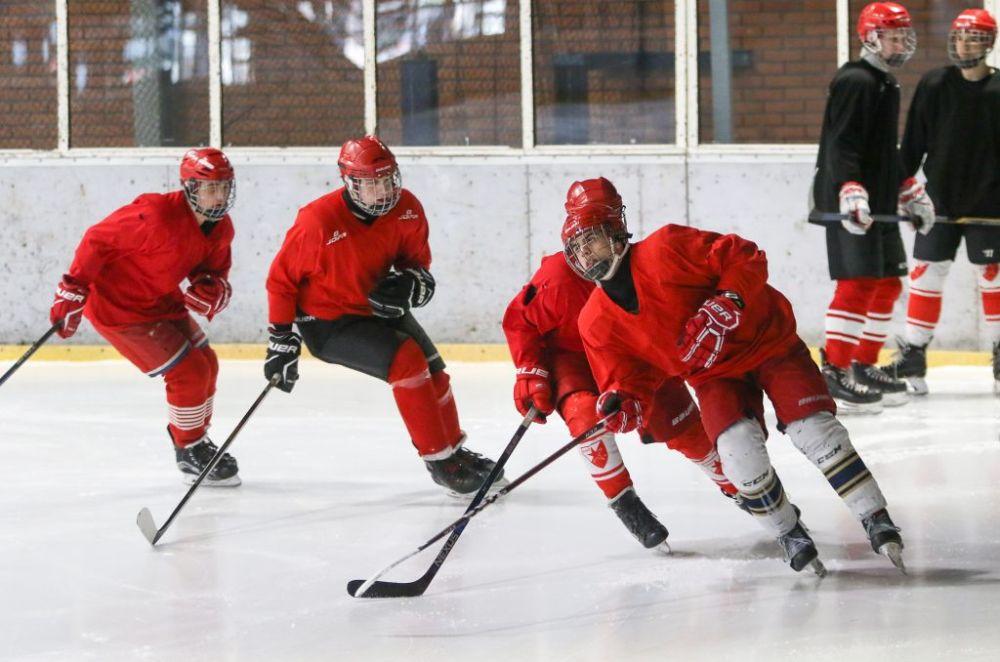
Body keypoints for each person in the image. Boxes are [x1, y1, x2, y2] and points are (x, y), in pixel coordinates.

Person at [566, 176, 905, 574]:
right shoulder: (595, 322)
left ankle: (874, 515)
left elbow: (745, 256)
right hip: (714, 376)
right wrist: (624, 405)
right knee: (736, 452)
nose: (584, 252)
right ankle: (788, 531)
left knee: (814, 429)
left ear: (616, 231)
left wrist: (730, 298)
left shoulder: (666, 248)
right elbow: (632, 382)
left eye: (591, 238)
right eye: (576, 245)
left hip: (769, 344)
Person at [263, 135, 505, 497]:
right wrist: (281, 340)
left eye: (387, 178)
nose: (383, 190)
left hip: (376, 309)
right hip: (329, 322)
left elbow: (417, 264)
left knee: (435, 371)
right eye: (371, 182)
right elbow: (281, 282)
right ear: (350, 182)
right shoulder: (318, 221)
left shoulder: (407, 208)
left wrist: (411, 283)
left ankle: (453, 451)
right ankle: (440, 463)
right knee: (408, 361)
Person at [502, 247, 740, 551]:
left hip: (631, 354)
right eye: (583, 240)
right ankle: (624, 502)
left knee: (686, 431)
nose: (591, 251)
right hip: (574, 358)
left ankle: (745, 489)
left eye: (601, 236)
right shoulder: (558, 278)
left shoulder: (644, 266)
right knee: (584, 415)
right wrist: (530, 373)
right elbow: (521, 321)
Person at [49, 148, 239, 486]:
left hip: (161, 301)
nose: (218, 196)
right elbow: (97, 239)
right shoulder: (154, 216)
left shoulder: (220, 228)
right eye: (210, 188)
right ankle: (188, 450)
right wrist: (74, 287)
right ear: (190, 188)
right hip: (120, 309)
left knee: (207, 362)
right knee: (188, 371)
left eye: (223, 187)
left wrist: (212, 287)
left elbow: (212, 270)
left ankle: (197, 439)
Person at [810, 1, 935, 413]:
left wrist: (905, 187)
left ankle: (862, 365)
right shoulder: (855, 80)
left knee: (886, 283)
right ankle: (835, 373)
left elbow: (882, 150)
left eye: (903, 34)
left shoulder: (886, 83)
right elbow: (841, 142)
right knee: (857, 283)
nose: (900, 42)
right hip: (850, 201)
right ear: (870, 36)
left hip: (877, 201)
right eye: (892, 34)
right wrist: (849, 188)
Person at [883, 8, 1000, 395]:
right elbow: (913, 143)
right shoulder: (934, 84)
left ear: (989, 43)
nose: (964, 44)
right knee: (925, 275)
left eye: (973, 37)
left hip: (991, 206)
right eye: (960, 37)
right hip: (939, 204)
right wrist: (900, 188)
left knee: (993, 279)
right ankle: (913, 354)